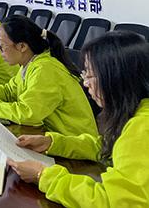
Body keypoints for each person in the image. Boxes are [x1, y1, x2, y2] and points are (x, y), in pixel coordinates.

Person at [8, 31, 149, 207]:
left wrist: (43, 175)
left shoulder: (141, 127)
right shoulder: (136, 111)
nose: (85, 83)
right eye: (85, 74)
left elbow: (114, 202)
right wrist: (52, 143)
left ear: (117, 78)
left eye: (91, 75)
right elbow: (108, 148)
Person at [0, 15, 98, 136]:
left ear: (22, 46)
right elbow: (9, 92)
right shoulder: (30, 64)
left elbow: (28, 114)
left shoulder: (45, 69)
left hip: (75, 143)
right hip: (53, 137)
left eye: (1, 45)